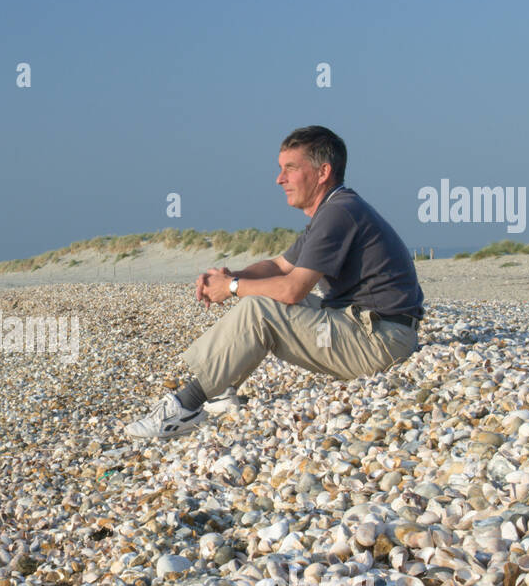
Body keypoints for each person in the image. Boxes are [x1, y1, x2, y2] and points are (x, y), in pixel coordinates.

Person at [125, 126, 424, 439]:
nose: (279, 179)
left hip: (381, 342)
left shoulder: (340, 213)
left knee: (261, 308)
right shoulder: (334, 210)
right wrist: (229, 276)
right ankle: (220, 388)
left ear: (323, 172)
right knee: (263, 297)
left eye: (290, 169)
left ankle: (186, 407)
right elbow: (279, 265)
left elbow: (293, 288)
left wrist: (231, 288)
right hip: (372, 328)